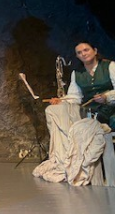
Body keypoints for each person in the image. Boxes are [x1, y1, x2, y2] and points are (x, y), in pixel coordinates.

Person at [33, 41, 114, 184]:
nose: (83, 54)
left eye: (86, 50)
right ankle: (71, 162)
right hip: (93, 112)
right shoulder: (77, 74)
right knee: (56, 112)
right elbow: (74, 96)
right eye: (79, 52)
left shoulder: (110, 66)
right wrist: (61, 100)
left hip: (112, 110)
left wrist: (107, 97)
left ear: (95, 51)